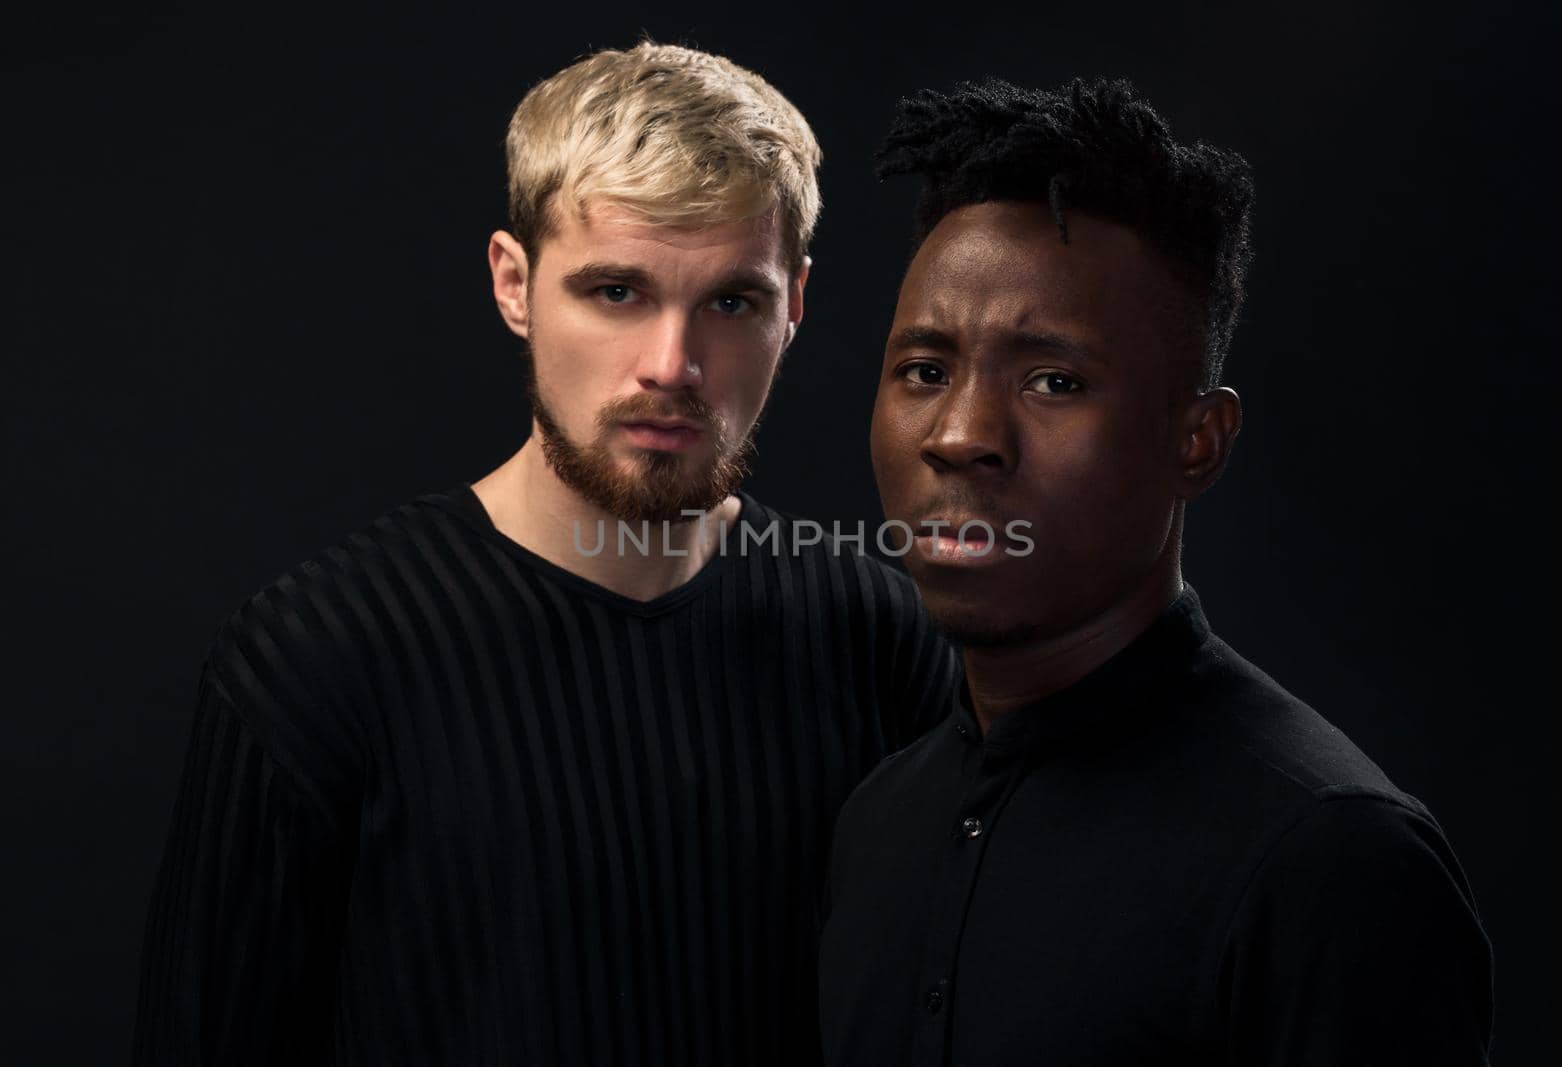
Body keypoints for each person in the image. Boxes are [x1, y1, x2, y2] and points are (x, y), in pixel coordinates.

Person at [132, 43, 957, 1066]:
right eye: (615, 292)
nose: (672, 363)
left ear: (793, 306)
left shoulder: (882, 641)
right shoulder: (317, 658)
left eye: (730, 301)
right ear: (514, 285)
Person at [818, 77, 1493, 1065]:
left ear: (1198, 440)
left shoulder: (1330, 860)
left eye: (1053, 380)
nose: (961, 434)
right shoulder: (877, 827)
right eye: (925, 371)